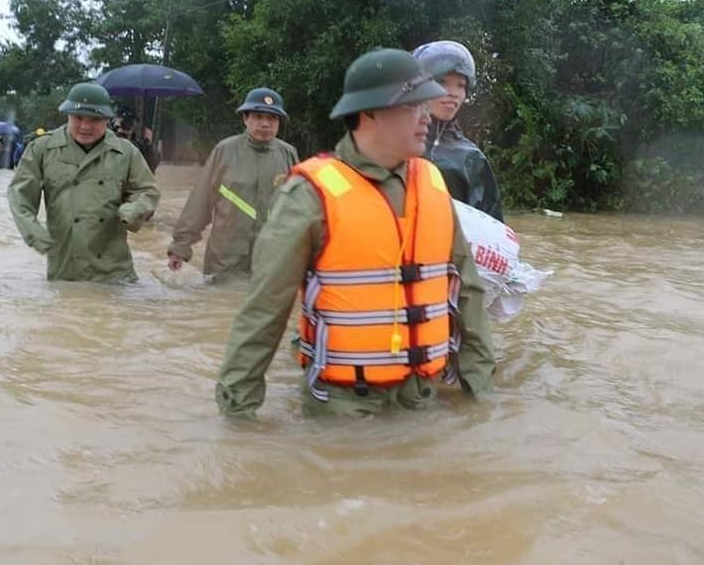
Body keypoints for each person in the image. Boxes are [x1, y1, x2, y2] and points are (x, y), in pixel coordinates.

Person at [215, 49, 496, 418]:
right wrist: (238, 418)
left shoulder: (431, 183)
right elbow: (263, 312)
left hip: (421, 402)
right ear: (370, 113)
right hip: (345, 411)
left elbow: (468, 292)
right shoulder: (309, 195)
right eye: (413, 106)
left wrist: (481, 396)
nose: (426, 116)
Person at [7, 83, 160, 282]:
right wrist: (33, 232)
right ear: (67, 115)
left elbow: (147, 190)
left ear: (107, 119)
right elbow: (20, 195)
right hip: (64, 269)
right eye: (78, 118)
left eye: (95, 119)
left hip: (114, 272)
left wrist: (132, 211)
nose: (85, 126)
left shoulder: (126, 152)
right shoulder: (43, 149)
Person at [166, 87, 298, 282]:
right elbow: (201, 201)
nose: (265, 124)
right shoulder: (224, 151)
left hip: (273, 259)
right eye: (258, 116)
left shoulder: (288, 154)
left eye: (272, 118)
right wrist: (180, 247)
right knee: (222, 308)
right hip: (226, 260)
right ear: (245, 118)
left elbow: (300, 208)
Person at [411, 40, 503, 221]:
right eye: (442, 82)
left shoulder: (471, 159)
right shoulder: (388, 142)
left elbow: (491, 229)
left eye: (460, 85)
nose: (453, 93)